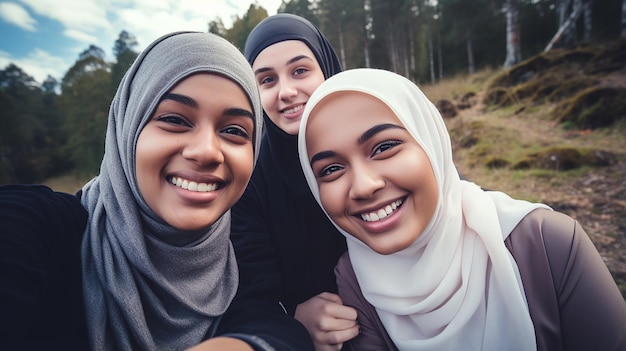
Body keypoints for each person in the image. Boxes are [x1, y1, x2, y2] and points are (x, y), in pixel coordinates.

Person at [0, 31, 313, 351]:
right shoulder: (36, 228)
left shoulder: (237, 273)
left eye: (234, 130)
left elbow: (276, 331)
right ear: (128, 127)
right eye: (175, 119)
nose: (206, 152)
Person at [297, 68, 626, 351]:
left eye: (384, 147)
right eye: (330, 170)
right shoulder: (354, 277)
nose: (364, 185)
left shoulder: (547, 244)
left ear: (432, 143)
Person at [231, 13, 359, 351]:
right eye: (267, 80)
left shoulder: (373, 136)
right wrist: (291, 318)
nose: (287, 91)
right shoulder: (247, 180)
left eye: (300, 71)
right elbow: (246, 291)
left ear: (327, 70)